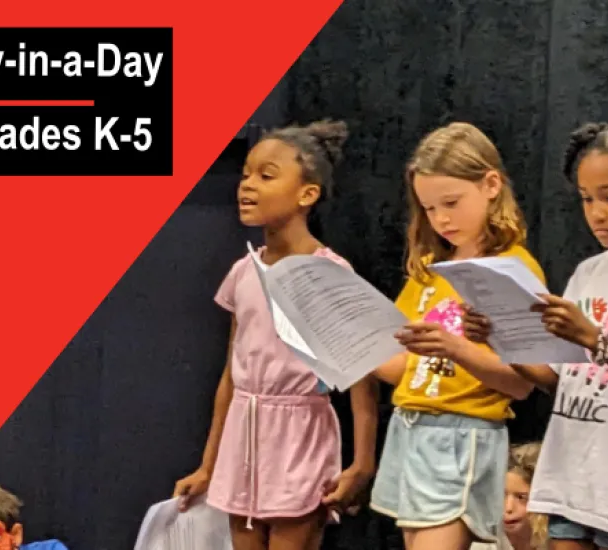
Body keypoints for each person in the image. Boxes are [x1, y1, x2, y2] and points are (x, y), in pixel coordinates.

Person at [172, 120, 378, 550]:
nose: (247, 186)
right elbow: (231, 374)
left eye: (266, 176)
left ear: (307, 194)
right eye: (246, 174)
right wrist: (208, 465)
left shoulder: (331, 273)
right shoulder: (244, 272)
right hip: (243, 440)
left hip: (298, 434)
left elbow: (362, 375)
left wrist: (362, 462)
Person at [369, 122, 545, 550]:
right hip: (410, 430)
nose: (441, 219)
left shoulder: (512, 269)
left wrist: (457, 348)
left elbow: (522, 383)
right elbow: (404, 369)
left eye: (451, 202)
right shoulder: (431, 270)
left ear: (490, 185)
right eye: (429, 208)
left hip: (461, 435)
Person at [465, 122, 608, 550]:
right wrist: (500, 340)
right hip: (572, 475)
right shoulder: (589, 272)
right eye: (587, 199)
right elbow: (556, 378)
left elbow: (594, 345)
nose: (597, 213)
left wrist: (594, 338)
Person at [471, 442, 548, 550]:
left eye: (521, 497)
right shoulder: (482, 543)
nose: (508, 508)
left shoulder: (559, 543)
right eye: (502, 495)